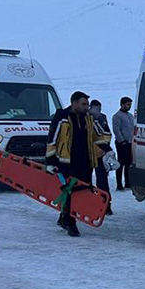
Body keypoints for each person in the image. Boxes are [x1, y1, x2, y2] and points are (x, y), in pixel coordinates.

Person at [45, 91, 103, 238]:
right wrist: (51, 162)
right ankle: (71, 223)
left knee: (83, 190)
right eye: (84, 104)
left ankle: (64, 218)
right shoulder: (62, 118)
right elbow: (52, 140)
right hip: (67, 163)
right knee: (71, 192)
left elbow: (98, 136)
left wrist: (107, 152)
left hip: (86, 162)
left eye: (87, 104)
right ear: (74, 103)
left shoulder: (88, 119)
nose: (86, 107)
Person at [88, 99, 113, 193]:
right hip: (90, 152)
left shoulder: (103, 117)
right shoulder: (86, 117)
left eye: (100, 108)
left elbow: (107, 133)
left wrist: (106, 148)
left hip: (101, 152)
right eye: (97, 108)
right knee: (87, 175)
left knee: (102, 176)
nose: (99, 110)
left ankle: (104, 195)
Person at [112, 97, 136, 190]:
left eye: (130, 104)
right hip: (122, 143)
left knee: (128, 163)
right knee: (121, 163)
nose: (129, 106)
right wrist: (121, 141)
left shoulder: (130, 116)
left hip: (130, 142)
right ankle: (119, 183)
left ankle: (128, 182)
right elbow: (116, 130)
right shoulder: (117, 116)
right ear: (122, 104)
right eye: (127, 104)